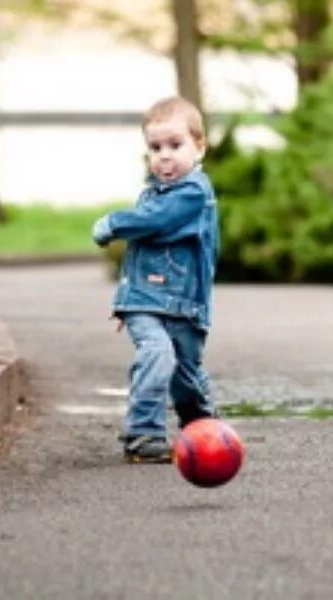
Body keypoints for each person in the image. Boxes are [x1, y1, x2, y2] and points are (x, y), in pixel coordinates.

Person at [92, 96, 220, 463]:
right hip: (146, 302)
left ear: (200, 146)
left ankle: (203, 429)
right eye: (155, 147)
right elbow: (139, 254)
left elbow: (155, 223)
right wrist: (125, 302)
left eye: (175, 145)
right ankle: (143, 433)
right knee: (157, 355)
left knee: (187, 375)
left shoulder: (194, 194)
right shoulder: (151, 194)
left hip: (187, 305)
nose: (164, 156)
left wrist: (112, 224)